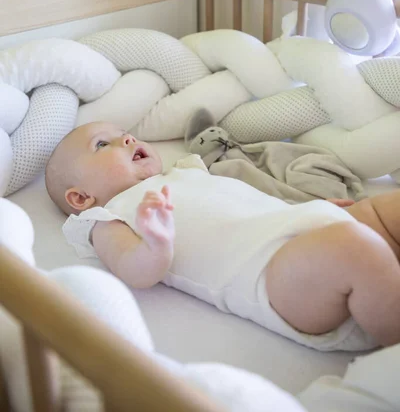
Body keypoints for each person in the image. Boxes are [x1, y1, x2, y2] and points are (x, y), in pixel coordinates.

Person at [46, 121, 400, 352]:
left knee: (387, 209)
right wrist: (156, 242)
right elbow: (134, 270)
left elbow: (253, 202)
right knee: (358, 250)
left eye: (126, 133)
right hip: (270, 273)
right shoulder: (105, 219)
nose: (127, 138)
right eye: (102, 144)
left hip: (304, 225)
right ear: (80, 197)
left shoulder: (183, 172)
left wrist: (312, 208)